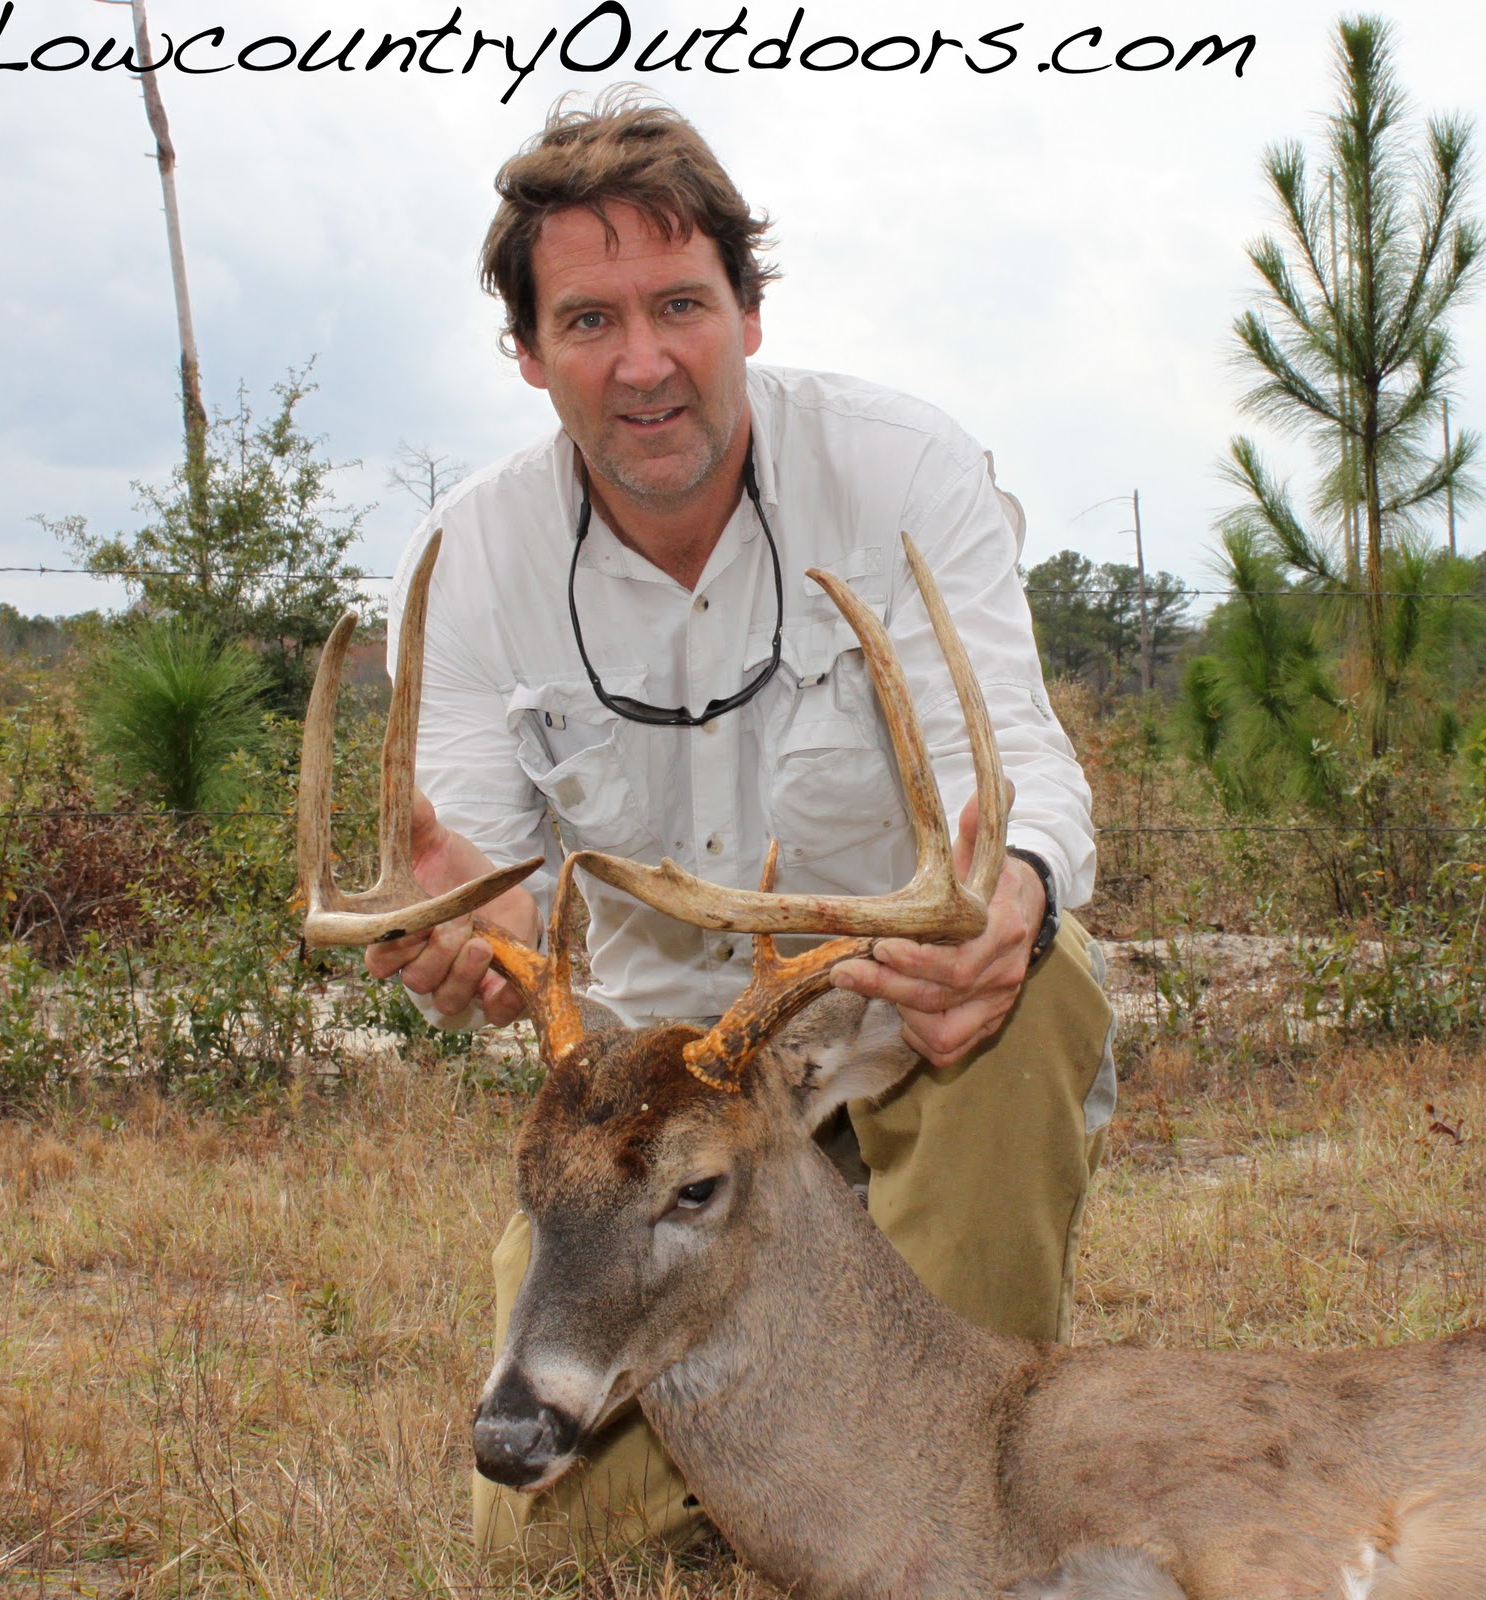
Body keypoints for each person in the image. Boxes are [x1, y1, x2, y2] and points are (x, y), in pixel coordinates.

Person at [365, 91, 1116, 1561]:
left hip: (892, 1037)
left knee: (1037, 983)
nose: (643, 363)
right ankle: (811, 1418)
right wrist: (467, 931)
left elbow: (1019, 774)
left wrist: (1014, 886)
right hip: (653, 1115)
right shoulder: (470, 559)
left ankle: (954, 1471)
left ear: (749, 315)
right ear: (527, 354)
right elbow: (479, 881)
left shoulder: (903, 474)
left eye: (680, 306)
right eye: (587, 321)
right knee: (545, 1538)